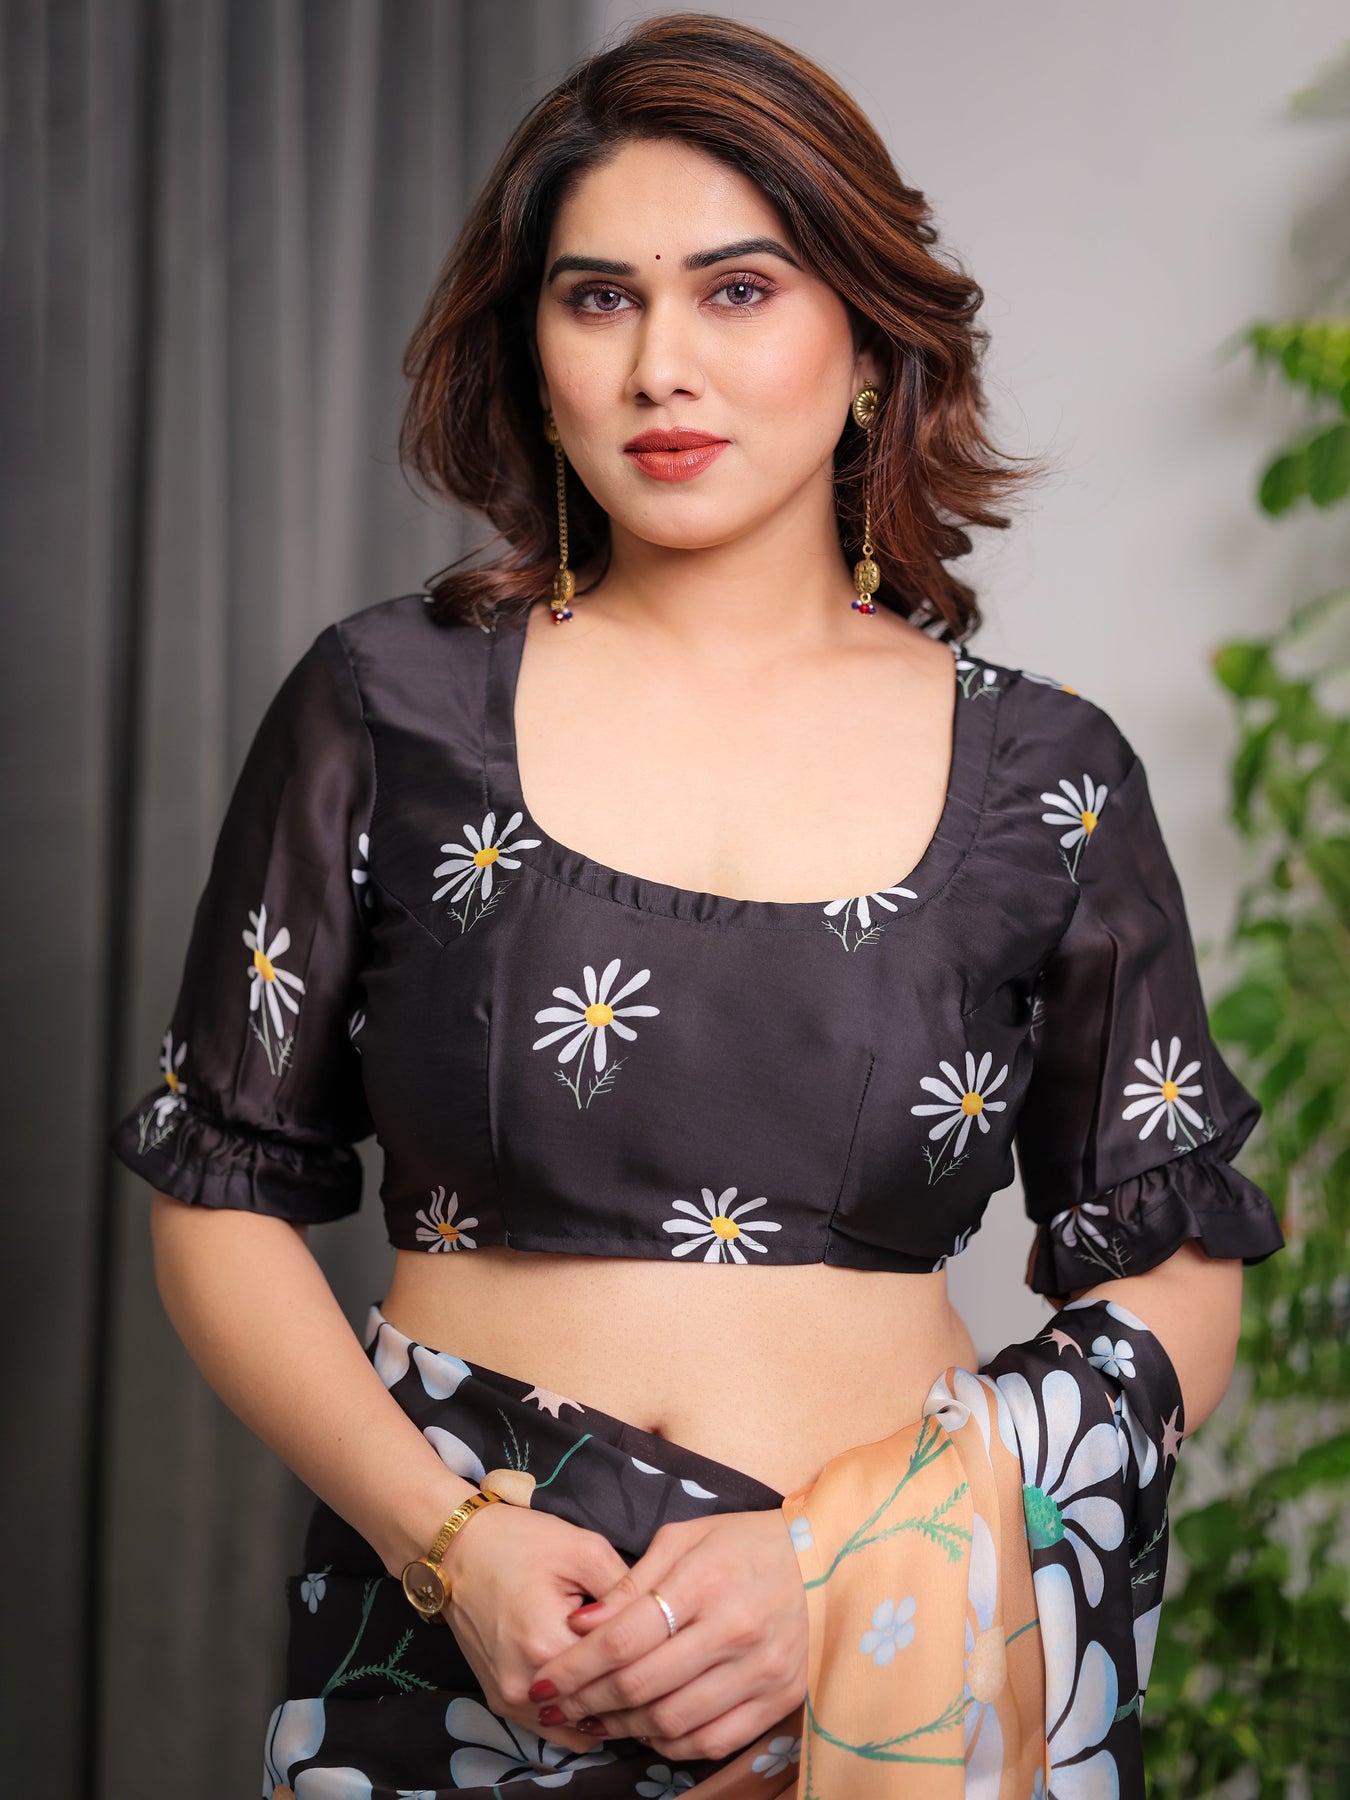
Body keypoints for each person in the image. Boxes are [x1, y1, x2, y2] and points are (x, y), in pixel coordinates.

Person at [108, 15, 1286, 1798]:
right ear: (533, 354)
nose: (661, 365)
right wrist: (450, 1546)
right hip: (462, 1645)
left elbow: (1172, 1265)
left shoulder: (1047, 769)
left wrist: (832, 1566)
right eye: (599, 299)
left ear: (866, 340)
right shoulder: (388, 706)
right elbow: (219, 1195)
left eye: (737, 291)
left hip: (873, 1675)